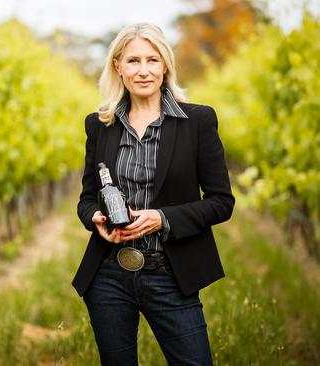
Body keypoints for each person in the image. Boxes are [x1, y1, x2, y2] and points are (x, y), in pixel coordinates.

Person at [72, 22, 235, 365]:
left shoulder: (197, 121)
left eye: (152, 60)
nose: (143, 71)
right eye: (133, 61)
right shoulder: (99, 124)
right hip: (109, 275)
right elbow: (87, 198)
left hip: (171, 275)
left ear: (165, 65)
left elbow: (222, 202)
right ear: (117, 66)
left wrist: (162, 219)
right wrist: (95, 219)